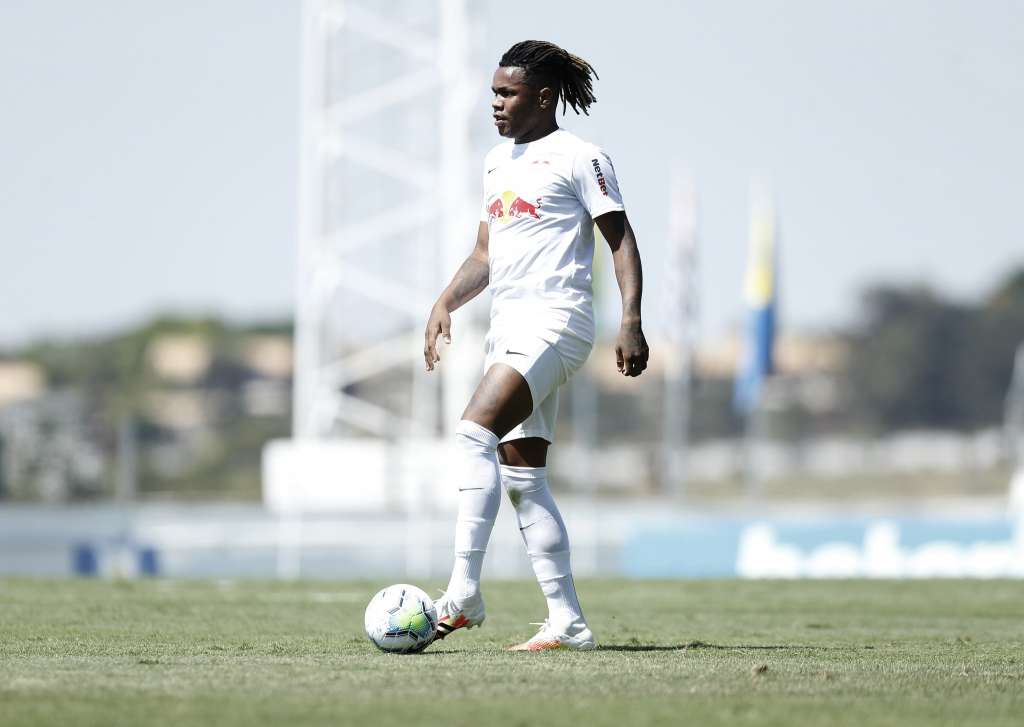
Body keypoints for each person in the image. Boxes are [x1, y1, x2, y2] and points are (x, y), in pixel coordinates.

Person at [423, 40, 648, 651]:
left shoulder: (581, 157)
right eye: (493, 92)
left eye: (507, 93)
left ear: (543, 98)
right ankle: (567, 622)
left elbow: (620, 240)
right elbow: (484, 255)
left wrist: (630, 318)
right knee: (524, 478)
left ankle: (462, 593)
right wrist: (445, 301)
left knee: (473, 433)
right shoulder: (497, 163)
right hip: (509, 329)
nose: (494, 103)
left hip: (558, 323)